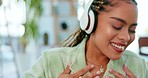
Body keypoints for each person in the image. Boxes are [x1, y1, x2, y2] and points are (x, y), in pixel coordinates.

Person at [24, 0, 148, 78]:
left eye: (132, 30)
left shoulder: (139, 66)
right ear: (90, 21)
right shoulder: (51, 61)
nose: (126, 37)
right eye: (117, 26)